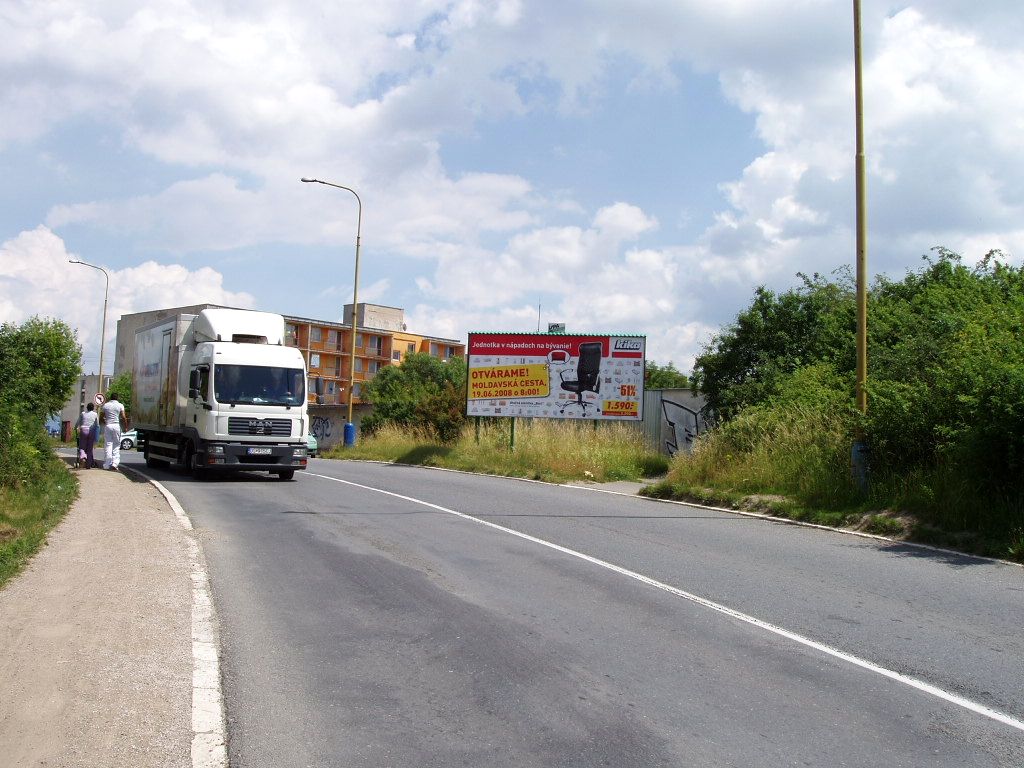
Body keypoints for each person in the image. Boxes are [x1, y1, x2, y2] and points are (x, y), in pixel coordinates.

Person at [100, 392, 128, 471]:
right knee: (116, 445)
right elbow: (123, 417)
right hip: (116, 426)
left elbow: (101, 417)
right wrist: (125, 427)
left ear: (110, 398)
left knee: (108, 444)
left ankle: (106, 464)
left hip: (108, 426)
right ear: (117, 398)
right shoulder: (120, 405)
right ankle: (115, 464)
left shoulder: (106, 405)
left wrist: (105, 422)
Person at [75, 402, 99, 469]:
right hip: (91, 431)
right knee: (89, 449)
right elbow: (97, 425)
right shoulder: (95, 414)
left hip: (83, 430)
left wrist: (75, 428)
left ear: (87, 408)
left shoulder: (83, 413)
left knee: (82, 446)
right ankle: (88, 465)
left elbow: (78, 422)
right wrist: (96, 437)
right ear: (93, 408)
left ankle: (82, 457)